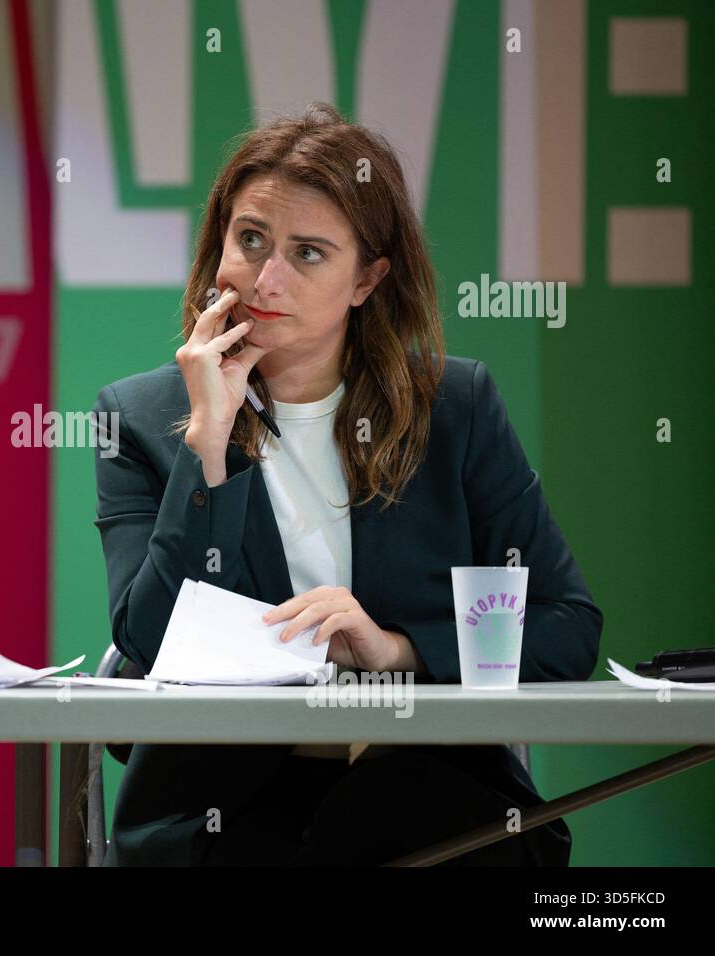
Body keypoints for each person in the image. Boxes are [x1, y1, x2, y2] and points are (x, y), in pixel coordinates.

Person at [91, 102, 602, 866]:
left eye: (308, 254)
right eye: (251, 239)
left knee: (393, 825)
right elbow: (149, 643)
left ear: (367, 278)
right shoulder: (138, 416)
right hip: (220, 811)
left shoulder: (454, 409)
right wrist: (210, 449)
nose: (266, 278)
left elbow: (566, 628)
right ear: (218, 244)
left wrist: (397, 650)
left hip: (423, 794)